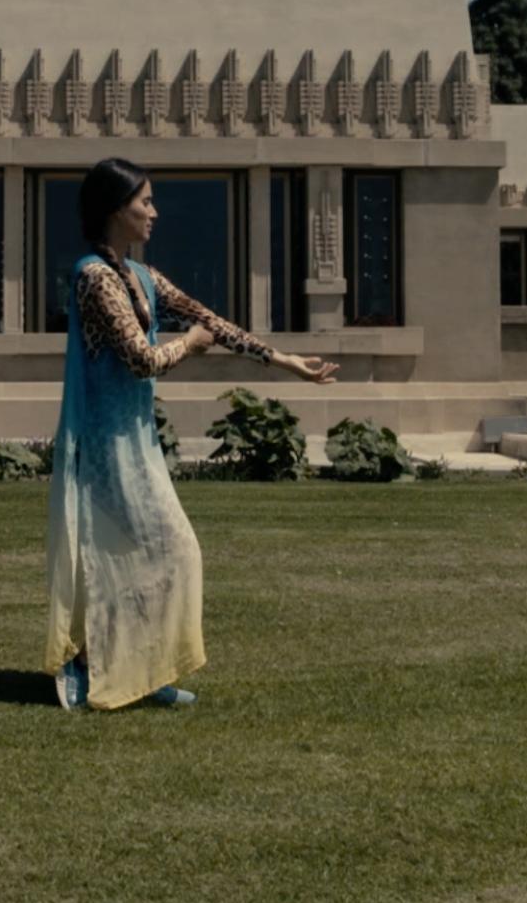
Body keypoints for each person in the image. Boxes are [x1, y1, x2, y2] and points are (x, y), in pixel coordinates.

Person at [45, 159, 339, 711]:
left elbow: (211, 320)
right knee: (162, 550)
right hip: (106, 448)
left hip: (137, 445)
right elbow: (140, 359)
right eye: (145, 202)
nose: (154, 212)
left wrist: (285, 361)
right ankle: (97, 666)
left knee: (158, 553)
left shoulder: (142, 277)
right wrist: (190, 346)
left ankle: (138, 667)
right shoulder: (94, 276)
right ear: (115, 209)